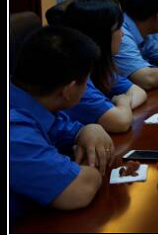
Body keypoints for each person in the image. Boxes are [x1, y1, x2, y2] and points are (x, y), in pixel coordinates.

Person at [10, 26, 114, 224]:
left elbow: (64, 129)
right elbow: (79, 191)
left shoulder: (33, 101)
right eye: (87, 81)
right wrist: (91, 165)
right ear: (69, 90)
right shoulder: (14, 131)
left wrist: (90, 128)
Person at [61, 0, 147, 133]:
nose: (122, 34)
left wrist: (120, 109)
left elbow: (138, 92)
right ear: (100, 35)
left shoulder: (97, 65)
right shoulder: (74, 76)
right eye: (118, 28)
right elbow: (120, 122)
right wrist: (122, 103)